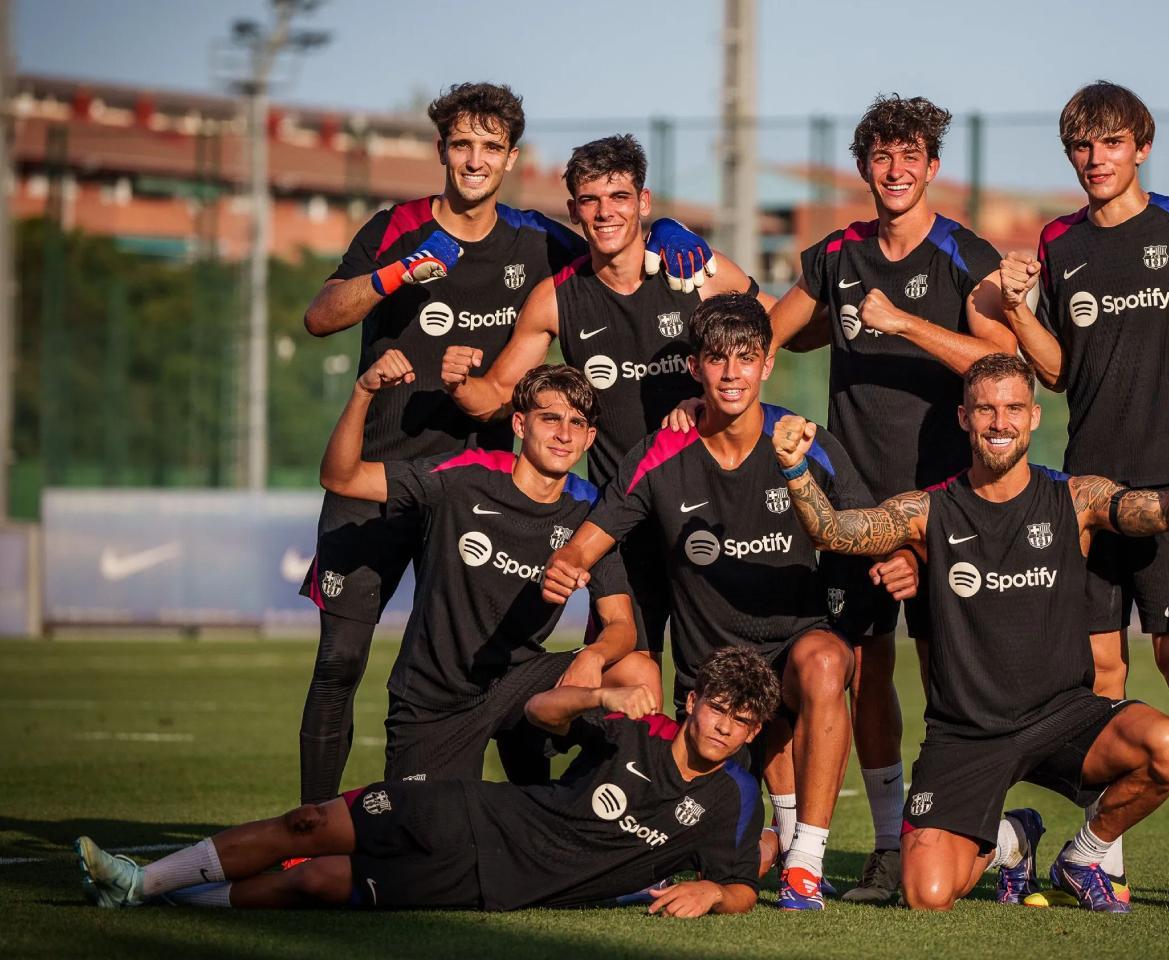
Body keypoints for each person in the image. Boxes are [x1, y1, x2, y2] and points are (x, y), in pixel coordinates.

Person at [296, 83, 711, 805]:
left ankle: (529, 814)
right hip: (386, 472)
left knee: (505, 664)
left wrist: (670, 229)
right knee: (340, 658)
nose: (475, 159)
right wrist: (393, 274)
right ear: (442, 152)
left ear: (510, 158)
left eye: (491, 147)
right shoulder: (395, 226)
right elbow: (321, 315)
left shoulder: (533, 237)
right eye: (463, 145)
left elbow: (608, 231)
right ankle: (309, 829)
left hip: (484, 491)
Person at [770, 353, 1169, 913]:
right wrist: (794, 469)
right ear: (964, 418)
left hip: (1064, 715)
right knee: (926, 894)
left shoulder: (1076, 499)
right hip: (967, 734)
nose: (999, 422)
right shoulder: (927, 510)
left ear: (1034, 416)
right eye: (985, 409)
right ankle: (1015, 838)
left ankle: (1082, 856)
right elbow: (835, 532)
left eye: (1013, 409)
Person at [541, 293, 878, 910]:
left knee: (828, 661)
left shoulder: (803, 440)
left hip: (793, 650)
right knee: (721, 859)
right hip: (711, 678)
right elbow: (591, 539)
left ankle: (806, 863)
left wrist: (902, 561)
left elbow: (870, 526)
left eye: (745, 359)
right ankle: (774, 837)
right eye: (717, 359)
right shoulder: (660, 452)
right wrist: (565, 566)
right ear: (695, 368)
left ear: (766, 365)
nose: (731, 374)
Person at [766, 93, 1017, 903]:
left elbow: (1002, 364)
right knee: (865, 671)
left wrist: (903, 323)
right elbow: (772, 335)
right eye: (881, 156)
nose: (896, 170)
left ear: (933, 166)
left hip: (952, 505)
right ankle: (882, 846)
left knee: (955, 678)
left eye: (911, 156)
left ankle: (980, 833)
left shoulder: (961, 253)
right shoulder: (838, 255)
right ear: (864, 166)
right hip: (855, 504)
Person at [996, 80, 1169, 892]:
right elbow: (1060, 372)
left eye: (1109, 143)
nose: (1094, 160)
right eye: (1080, 146)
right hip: (1088, 499)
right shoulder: (1059, 241)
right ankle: (1107, 863)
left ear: (1142, 143)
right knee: (1101, 677)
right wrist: (1023, 310)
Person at [74, 646, 777, 916]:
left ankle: (160, 898)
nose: (724, 727)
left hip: (488, 887)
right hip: (474, 813)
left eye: (741, 721)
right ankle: (142, 880)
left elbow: (745, 880)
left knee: (315, 882)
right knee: (309, 826)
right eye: (717, 707)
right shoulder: (638, 726)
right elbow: (537, 711)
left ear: (751, 732)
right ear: (693, 701)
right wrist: (599, 697)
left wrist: (717, 890)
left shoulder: (734, 799)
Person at [442, 134, 768, 708]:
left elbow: (765, 337)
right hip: (625, 518)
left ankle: (745, 800)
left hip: (713, 509)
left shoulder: (692, 271)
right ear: (573, 211)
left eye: (619, 196)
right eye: (590, 200)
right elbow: (496, 395)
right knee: (630, 678)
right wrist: (457, 382)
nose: (604, 212)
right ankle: (625, 794)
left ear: (643, 202)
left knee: (727, 682)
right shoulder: (556, 298)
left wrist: (709, 401)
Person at [318, 356, 633, 782]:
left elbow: (621, 624)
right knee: (420, 840)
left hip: (519, 684)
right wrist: (363, 393)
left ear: (590, 437)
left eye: (577, 423)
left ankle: (577, 817)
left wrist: (593, 657)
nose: (563, 434)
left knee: (629, 674)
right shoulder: (463, 476)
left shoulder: (590, 511)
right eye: (550, 418)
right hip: (435, 697)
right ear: (520, 425)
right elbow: (341, 478)